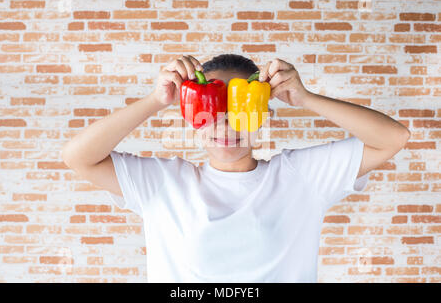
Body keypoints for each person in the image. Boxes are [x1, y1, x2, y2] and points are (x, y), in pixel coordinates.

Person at [62, 54, 410, 283]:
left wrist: (305, 98)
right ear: (191, 118)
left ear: (264, 118)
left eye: (241, 111)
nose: (224, 126)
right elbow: (78, 156)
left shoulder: (300, 177)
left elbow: (392, 138)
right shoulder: (163, 183)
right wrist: (157, 100)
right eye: (210, 110)